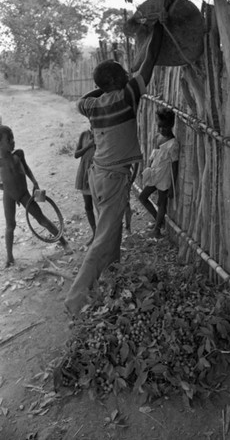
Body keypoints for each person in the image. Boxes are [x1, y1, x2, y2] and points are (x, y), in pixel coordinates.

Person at [64, 20, 164, 316]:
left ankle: (113, 279)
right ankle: (75, 299)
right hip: (112, 178)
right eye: (122, 73)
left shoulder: (93, 106)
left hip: (98, 177)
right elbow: (150, 62)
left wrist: (103, 87)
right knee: (103, 238)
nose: (128, 74)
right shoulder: (126, 97)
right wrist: (157, 32)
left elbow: (83, 100)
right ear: (115, 81)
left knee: (112, 233)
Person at [0, 126, 70, 267]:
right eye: (9, 139)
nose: (13, 141)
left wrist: (35, 182)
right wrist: (3, 186)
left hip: (25, 194)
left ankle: (64, 242)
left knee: (41, 218)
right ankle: (10, 257)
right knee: (10, 226)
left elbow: (26, 169)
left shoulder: (18, 154)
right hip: (9, 195)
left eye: (13, 137)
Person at [139, 107, 179, 238]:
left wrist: (172, 187)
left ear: (171, 125)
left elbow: (174, 165)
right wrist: (149, 168)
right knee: (143, 197)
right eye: (160, 126)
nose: (162, 129)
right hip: (154, 174)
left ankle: (157, 229)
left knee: (162, 203)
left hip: (165, 177)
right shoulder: (158, 137)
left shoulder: (173, 144)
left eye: (165, 127)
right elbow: (153, 155)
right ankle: (158, 220)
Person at [74, 127, 96, 245]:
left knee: (101, 206)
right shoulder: (84, 135)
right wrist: (88, 145)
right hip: (85, 174)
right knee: (88, 206)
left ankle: (102, 235)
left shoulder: (102, 135)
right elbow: (76, 154)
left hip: (97, 174)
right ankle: (95, 232)